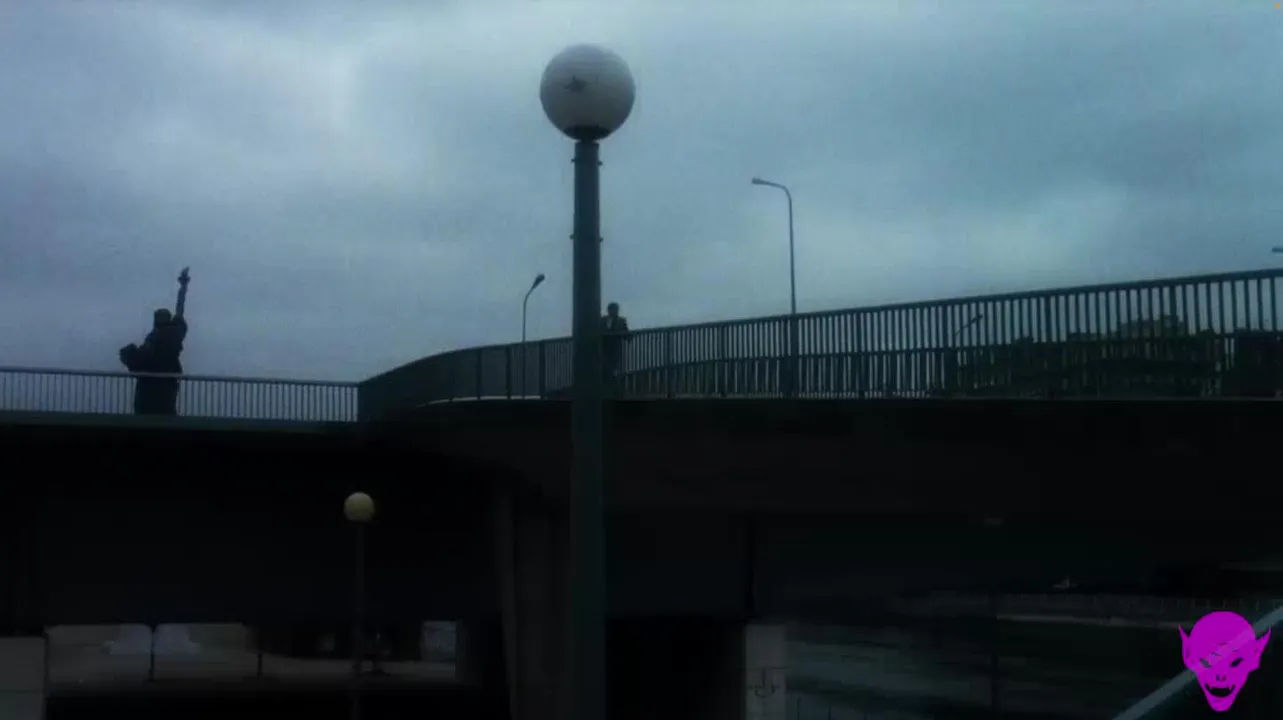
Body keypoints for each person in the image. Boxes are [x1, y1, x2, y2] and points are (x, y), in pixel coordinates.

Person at [120, 267, 191, 415]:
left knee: (145, 419)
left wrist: (129, 353)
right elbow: (180, 310)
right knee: (166, 416)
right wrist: (183, 287)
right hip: (167, 388)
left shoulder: (153, 339)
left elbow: (136, 360)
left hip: (146, 391)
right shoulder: (174, 335)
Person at [601, 301, 631, 393]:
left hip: (615, 350)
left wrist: (628, 337)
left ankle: (612, 391)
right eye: (613, 310)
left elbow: (627, 334)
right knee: (607, 370)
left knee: (611, 370)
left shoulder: (621, 321)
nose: (614, 312)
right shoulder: (602, 320)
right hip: (604, 350)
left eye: (615, 310)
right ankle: (612, 391)